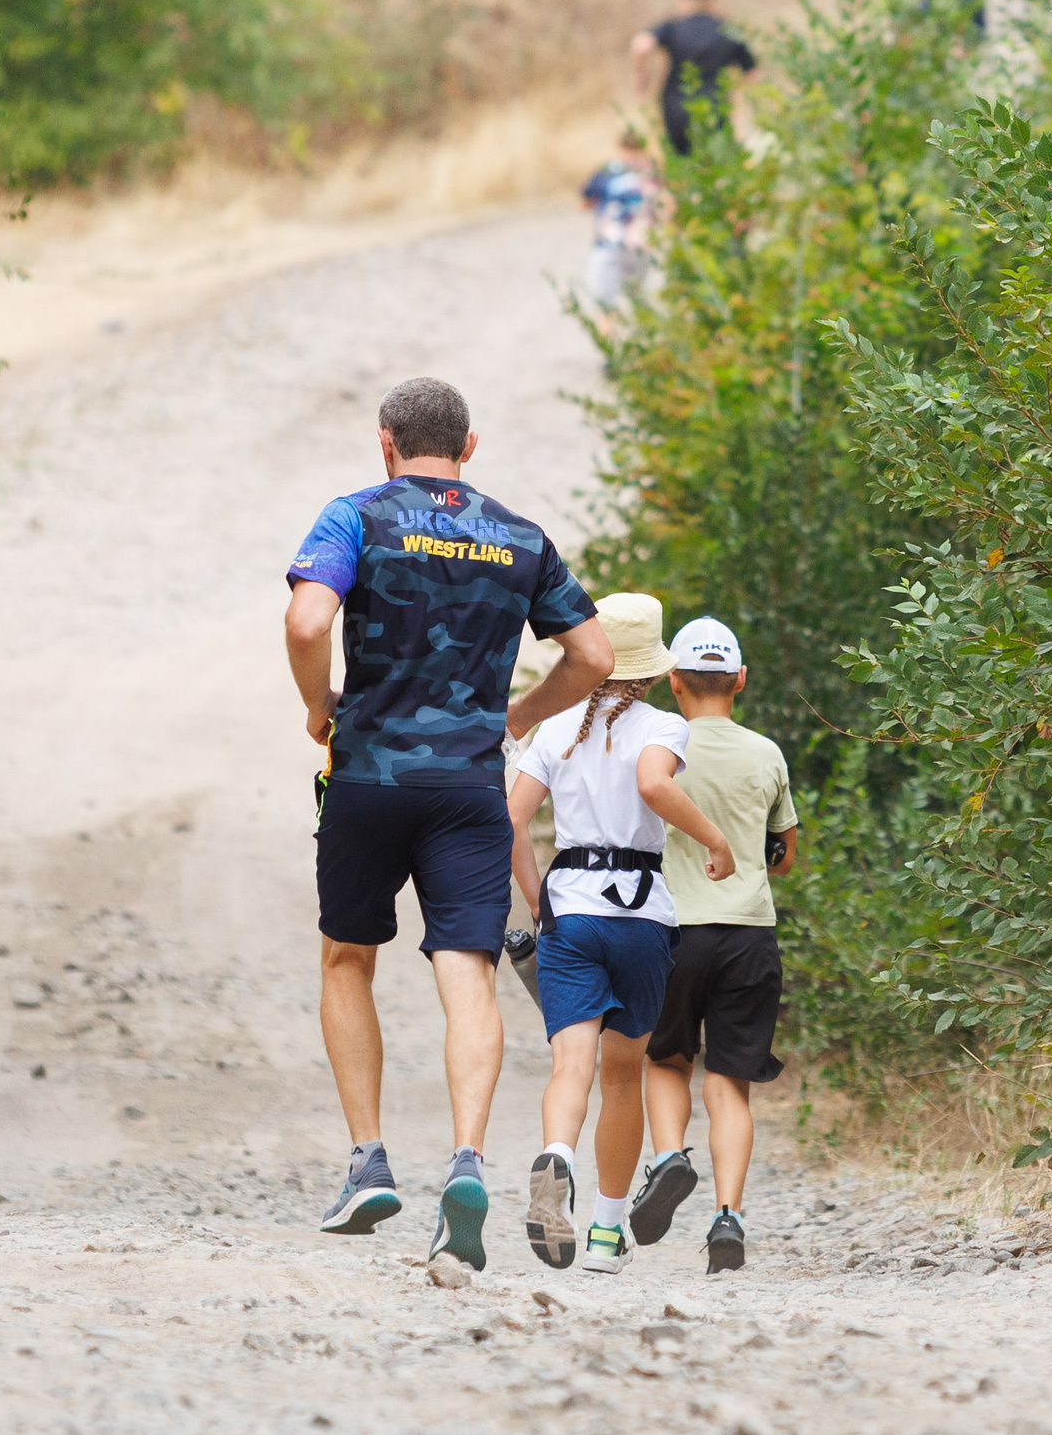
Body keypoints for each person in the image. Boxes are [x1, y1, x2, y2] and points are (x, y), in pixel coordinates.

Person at [284, 378, 613, 1271]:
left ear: (385, 442)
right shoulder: (521, 536)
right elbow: (594, 656)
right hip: (469, 787)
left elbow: (309, 617)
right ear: (470, 448)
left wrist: (321, 707)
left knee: (348, 955)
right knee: (465, 967)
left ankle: (368, 1162)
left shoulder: (355, 516)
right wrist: (517, 717)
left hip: (367, 777)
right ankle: (467, 1159)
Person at [505, 593, 733, 1274]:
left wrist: (539, 902)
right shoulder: (664, 728)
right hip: (640, 918)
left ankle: (556, 1156)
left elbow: (510, 822)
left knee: (570, 1065)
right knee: (624, 1075)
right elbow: (653, 786)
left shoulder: (551, 727)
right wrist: (715, 840)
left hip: (571, 912)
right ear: (659, 669)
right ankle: (606, 1234)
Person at [637, 617, 798, 1275]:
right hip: (748, 934)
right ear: (740, 680)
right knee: (730, 1083)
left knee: (668, 1060)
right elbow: (784, 855)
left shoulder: (657, 748)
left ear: (672, 681)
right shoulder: (766, 754)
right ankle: (727, 1216)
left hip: (673, 929)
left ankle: (671, 1156)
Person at [628, 0, 756, 159]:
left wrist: (641, 77)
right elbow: (752, 74)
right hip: (715, 107)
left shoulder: (673, 26)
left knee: (680, 163)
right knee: (716, 164)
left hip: (677, 107)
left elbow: (640, 46)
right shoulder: (728, 29)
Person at [578, 131, 654, 310]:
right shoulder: (652, 170)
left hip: (609, 245)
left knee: (605, 309)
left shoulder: (608, 170)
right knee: (641, 307)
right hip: (642, 245)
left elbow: (585, 202)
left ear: (619, 146)